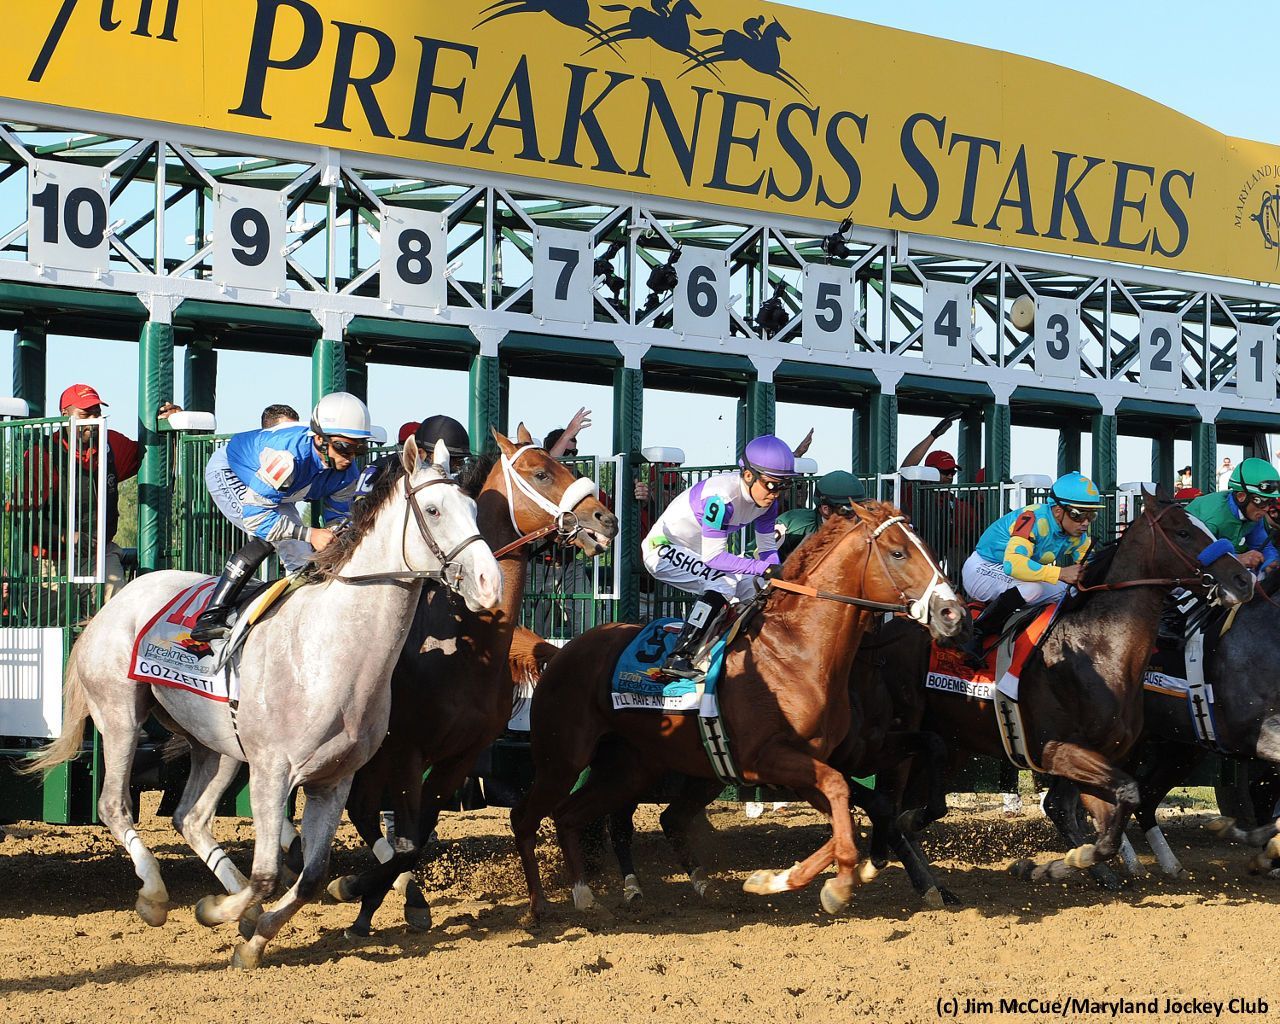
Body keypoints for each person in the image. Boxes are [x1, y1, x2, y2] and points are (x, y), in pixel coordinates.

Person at [190, 392, 373, 640]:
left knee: (305, 553)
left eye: (358, 449)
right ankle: (211, 616)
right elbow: (256, 517)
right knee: (282, 538)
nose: (349, 457)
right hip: (231, 472)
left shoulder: (348, 473)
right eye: (344, 447)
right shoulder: (287, 459)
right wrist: (310, 533)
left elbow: (338, 522)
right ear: (319, 439)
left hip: (277, 488)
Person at [642, 434, 797, 676]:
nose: (776, 493)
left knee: (756, 588)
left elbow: (767, 551)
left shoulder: (768, 504)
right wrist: (764, 569)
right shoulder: (721, 498)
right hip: (662, 549)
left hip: (696, 553)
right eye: (771, 484)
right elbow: (714, 559)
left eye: (783, 486)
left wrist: (774, 578)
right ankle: (680, 655)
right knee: (722, 581)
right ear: (749, 475)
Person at [16, 384, 179, 603]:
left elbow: (155, 458)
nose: (93, 421)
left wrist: (171, 428)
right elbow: (24, 519)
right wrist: (68, 536)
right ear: (65, 415)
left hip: (99, 554)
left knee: (119, 610)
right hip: (47, 559)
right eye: (85, 413)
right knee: (58, 626)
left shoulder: (113, 444)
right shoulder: (42, 455)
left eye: (97, 412)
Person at [961, 471, 1104, 656]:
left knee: (1073, 591)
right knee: (1031, 589)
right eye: (1079, 515)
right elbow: (1014, 566)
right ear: (1058, 510)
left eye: (1091, 516)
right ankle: (977, 633)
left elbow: (1092, 566)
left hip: (1013, 574)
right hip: (982, 569)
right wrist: (1060, 573)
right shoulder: (1031, 518)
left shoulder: (1076, 533)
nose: (1085, 523)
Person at [1185, 457, 1280, 574]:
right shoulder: (1212, 519)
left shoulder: (1253, 513)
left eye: (1270, 502)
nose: (1266, 509)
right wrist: (1238, 559)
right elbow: (1196, 559)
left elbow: (1263, 546)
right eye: (1261, 501)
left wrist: (1270, 561)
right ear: (1241, 497)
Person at [774, 470, 865, 560]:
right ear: (825, 509)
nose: (855, 517)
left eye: (859, 509)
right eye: (847, 511)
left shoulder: (867, 529)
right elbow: (764, 562)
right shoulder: (791, 526)